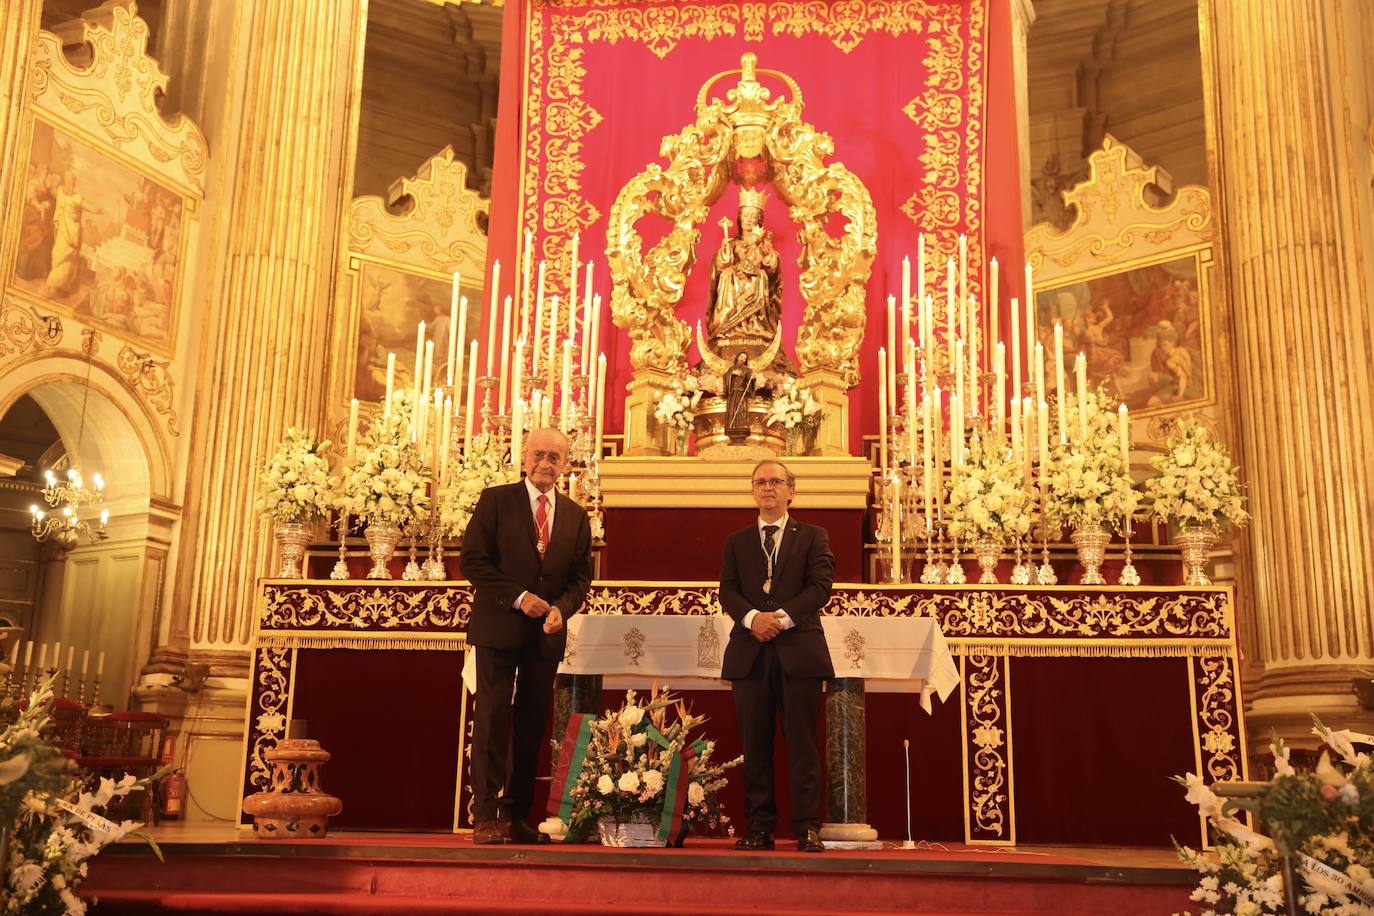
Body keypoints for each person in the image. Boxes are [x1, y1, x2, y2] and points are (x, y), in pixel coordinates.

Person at [459, 427, 593, 845]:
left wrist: (560, 609)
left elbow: (580, 579)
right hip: (498, 628)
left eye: (554, 456)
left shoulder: (575, 515)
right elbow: (473, 562)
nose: (545, 463)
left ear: (566, 464)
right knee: (493, 719)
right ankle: (484, 815)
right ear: (523, 458)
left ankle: (516, 815)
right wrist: (520, 598)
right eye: (538, 454)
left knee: (533, 724)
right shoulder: (496, 501)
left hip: (545, 637)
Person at [718, 458, 835, 853]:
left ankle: (806, 827)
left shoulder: (813, 536)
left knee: (802, 743)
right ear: (753, 491)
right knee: (755, 744)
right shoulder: (736, 541)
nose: (768, 488)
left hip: (798, 651)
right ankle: (760, 826)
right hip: (751, 653)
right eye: (760, 482)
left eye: (776, 481)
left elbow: (820, 587)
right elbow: (728, 591)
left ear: (790, 491)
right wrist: (753, 620)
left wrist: (780, 620)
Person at [706, 189, 781, 353]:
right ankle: (727, 326)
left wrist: (767, 253)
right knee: (727, 275)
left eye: (754, 216)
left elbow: (772, 267)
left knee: (760, 277)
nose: (749, 219)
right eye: (746, 215)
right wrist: (725, 253)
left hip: (756, 281)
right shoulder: (732, 243)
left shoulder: (763, 244)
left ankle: (755, 327)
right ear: (739, 217)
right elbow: (721, 266)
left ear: (759, 220)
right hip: (733, 280)